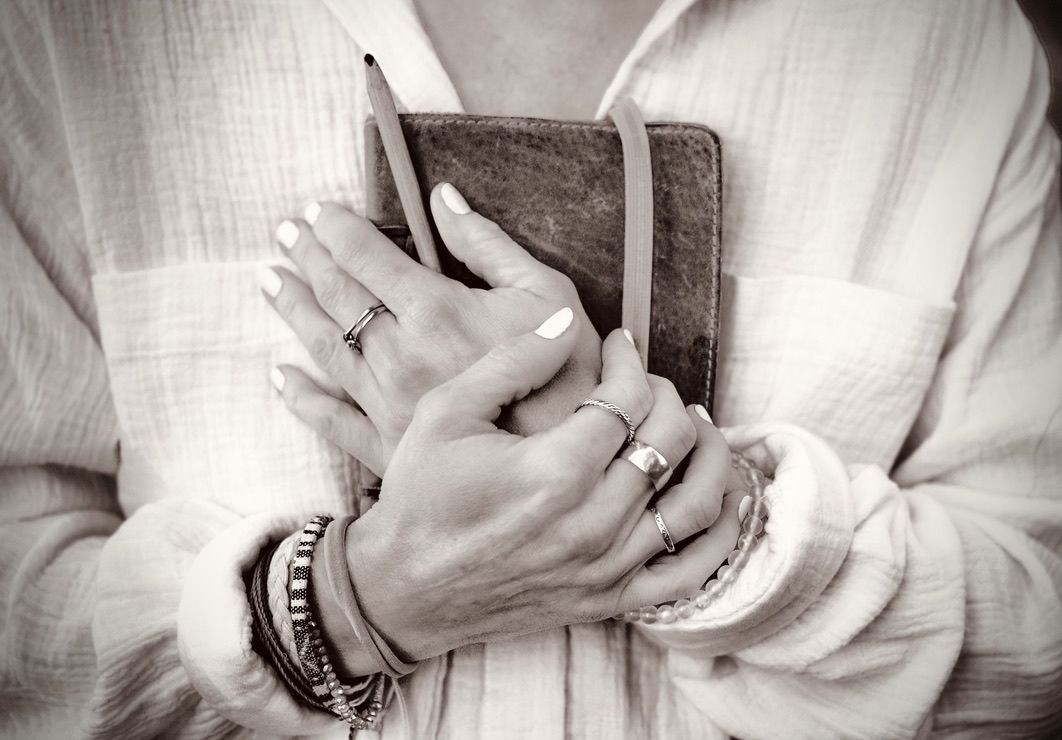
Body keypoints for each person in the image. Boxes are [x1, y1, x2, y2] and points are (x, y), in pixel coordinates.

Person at [1, 1, 1060, 738]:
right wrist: (355, 602)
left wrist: (710, 526)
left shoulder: (946, 43)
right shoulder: (72, 30)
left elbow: (1038, 639)